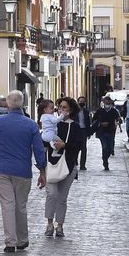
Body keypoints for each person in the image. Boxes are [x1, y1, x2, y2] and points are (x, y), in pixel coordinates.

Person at [0, 90, 47, 253]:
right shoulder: (30, 124)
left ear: (8, 104)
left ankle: (10, 241)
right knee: (21, 205)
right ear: (22, 103)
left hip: (1, 168)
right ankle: (22, 239)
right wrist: (42, 170)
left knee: (7, 204)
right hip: (22, 169)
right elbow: (39, 149)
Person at [42, 96, 84, 239]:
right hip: (51, 164)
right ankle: (49, 224)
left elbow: (79, 146)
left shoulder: (75, 127)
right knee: (52, 194)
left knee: (62, 198)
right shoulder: (52, 124)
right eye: (59, 107)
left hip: (68, 165)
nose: (61, 110)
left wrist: (65, 145)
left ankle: (59, 226)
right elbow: (43, 142)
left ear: (70, 110)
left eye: (64, 107)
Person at [93, 97, 121, 170]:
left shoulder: (114, 111)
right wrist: (101, 123)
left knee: (110, 148)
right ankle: (105, 162)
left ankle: (105, 157)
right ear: (103, 102)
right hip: (102, 132)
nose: (107, 104)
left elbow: (118, 119)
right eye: (106, 102)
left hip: (111, 131)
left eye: (108, 102)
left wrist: (118, 121)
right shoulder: (100, 111)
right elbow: (94, 120)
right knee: (104, 147)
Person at [72, 96, 93, 170]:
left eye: (83, 101)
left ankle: (82, 165)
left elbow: (88, 122)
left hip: (84, 131)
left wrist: (89, 133)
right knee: (76, 147)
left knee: (84, 148)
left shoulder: (86, 111)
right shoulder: (74, 112)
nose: (82, 103)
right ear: (78, 102)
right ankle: (74, 161)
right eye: (80, 101)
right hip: (76, 131)